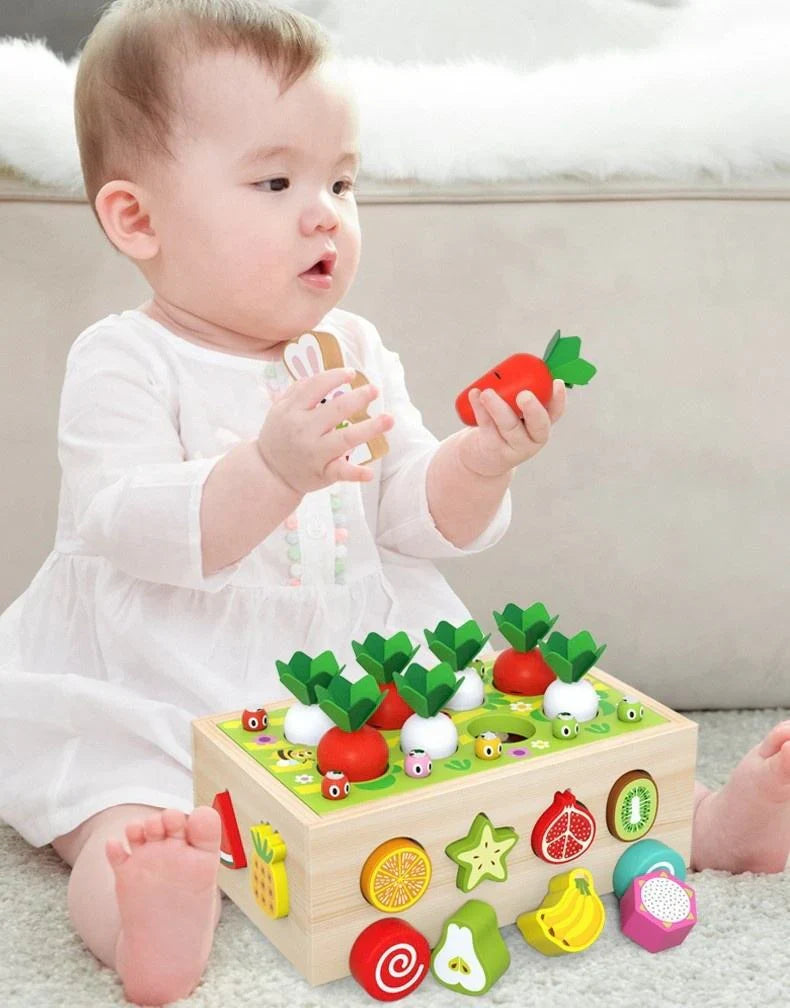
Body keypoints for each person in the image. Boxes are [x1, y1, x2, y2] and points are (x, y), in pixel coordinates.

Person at [0, 0, 787, 1004]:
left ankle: (700, 823)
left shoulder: (351, 348)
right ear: (137, 218)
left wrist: (479, 462)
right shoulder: (123, 357)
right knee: (121, 815)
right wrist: (269, 468)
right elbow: (130, 527)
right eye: (276, 180)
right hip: (159, 683)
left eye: (340, 179)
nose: (324, 210)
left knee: (504, 750)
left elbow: (413, 516)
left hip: (349, 670)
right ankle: (154, 913)